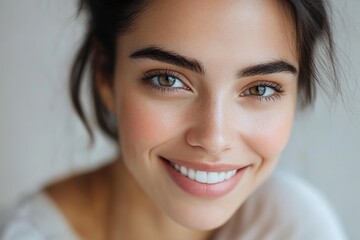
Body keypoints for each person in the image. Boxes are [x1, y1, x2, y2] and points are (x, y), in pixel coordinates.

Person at [1, 0, 347, 239]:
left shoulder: (293, 226)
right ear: (105, 74)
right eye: (168, 80)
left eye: (260, 88)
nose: (214, 138)